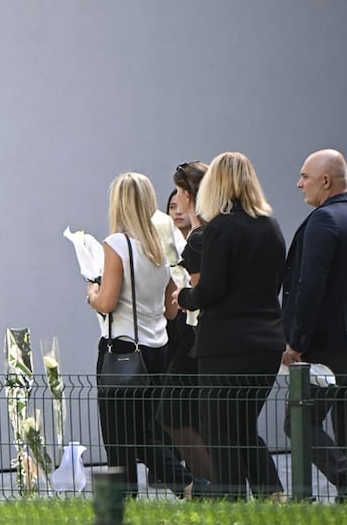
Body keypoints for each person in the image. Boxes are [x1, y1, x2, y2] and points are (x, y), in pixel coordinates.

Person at [85, 172, 207, 500]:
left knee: (117, 436)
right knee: (142, 433)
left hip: (122, 349)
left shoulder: (116, 244)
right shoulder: (157, 246)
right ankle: (188, 484)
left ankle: (119, 507)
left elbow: (107, 303)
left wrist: (92, 292)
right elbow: (170, 310)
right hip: (156, 350)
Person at [174, 152, 286, 501]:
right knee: (241, 425)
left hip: (226, 345)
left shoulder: (220, 229)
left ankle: (230, 499)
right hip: (267, 343)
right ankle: (271, 495)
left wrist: (184, 297)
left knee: (218, 427)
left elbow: (211, 289)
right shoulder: (270, 226)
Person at [281, 149, 347, 504]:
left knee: (299, 423)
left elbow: (309, 287)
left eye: (304, 177)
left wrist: (296, 342)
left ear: (325, 181)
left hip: (328, 346)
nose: (299, 184)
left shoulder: (324, 222)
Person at [156, 165, 214, 483]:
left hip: (192, 341)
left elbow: (198, 297)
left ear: (188, 195)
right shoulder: (207, 235)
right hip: (193, 340)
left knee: (173, 414)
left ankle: (215, 487)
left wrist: (182, 294)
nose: (175, 201)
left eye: (178, 193)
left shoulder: (199, 240)